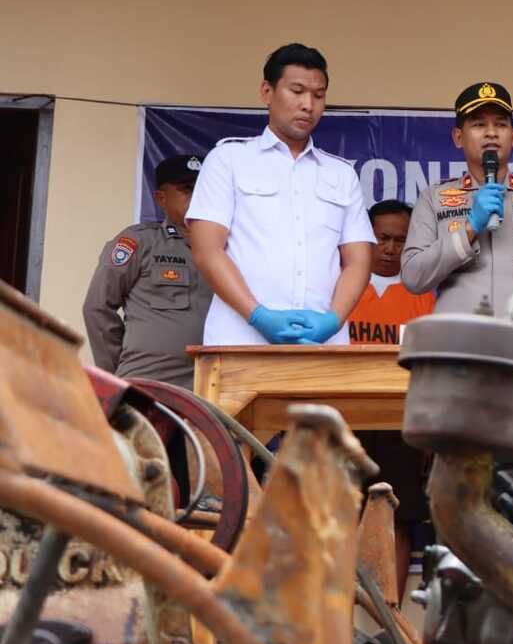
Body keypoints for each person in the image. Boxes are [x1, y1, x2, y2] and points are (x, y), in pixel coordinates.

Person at [186, 43, 374, 345]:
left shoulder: (340, 173)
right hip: (240, 340)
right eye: (296, 91)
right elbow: (207, 250)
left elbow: (359, 260)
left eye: (318, 95)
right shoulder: (228, 160)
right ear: (266, 92)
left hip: (322, 346)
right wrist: (258, 315)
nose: (308, 105)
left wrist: (333, 320)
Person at [403, 82, 513, 318]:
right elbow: (413, 277)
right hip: (458, 341)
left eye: (500, 124)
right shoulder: (433, 198)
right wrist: (468, 230)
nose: (491, 132)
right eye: (479, 124)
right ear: (458, 137)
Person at [83, 154, 214, 389]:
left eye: (204, 188)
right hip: (150, 381)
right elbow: (97, 308)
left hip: (214, 383)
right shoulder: (139, 242)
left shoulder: (230, 247)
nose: (198, 196)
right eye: (187, 189)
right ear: (161, 198)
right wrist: (115, 376)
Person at [345, 200, 435, 343]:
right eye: (383, 238)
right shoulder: (342, 285)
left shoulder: (422, 296)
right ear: (367, 235)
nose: (390, 249)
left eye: (400, 240)